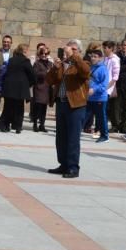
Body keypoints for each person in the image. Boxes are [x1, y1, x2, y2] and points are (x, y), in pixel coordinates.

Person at [46, 40, 91, 178]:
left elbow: (85, 72)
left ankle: (73, 167)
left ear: (79, 52)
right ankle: (63, 164)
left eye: (73, 49)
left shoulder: (83, 63)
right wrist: (55, 67)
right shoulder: (62, 65)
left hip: (76, 105)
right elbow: (50, 80)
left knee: (73, 137)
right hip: (61, 103)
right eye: (68, 49)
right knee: (61, 137)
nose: (69, 51)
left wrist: (73, 57)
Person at [0, 43, 33, 133]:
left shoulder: (11, 60)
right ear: (24, 51)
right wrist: (29, 83)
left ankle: (2, 125)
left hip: (9, 88)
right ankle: (17, 127)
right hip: (20, 89)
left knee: (7, 107)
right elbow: (32, 74)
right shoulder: (26, 61)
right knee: (19, 108)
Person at [85, 48, 110, 143]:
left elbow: (104, 85)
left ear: (100, 58)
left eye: (95, 57)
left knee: (101, 118)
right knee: (84, 115)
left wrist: (94, 89)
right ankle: (75, 132)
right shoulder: (91, 67)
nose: (92, 58)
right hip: (90, 98)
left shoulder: (103, 69)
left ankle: (105, 136)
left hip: (100, 98)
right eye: (92, 56)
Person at [31, 44, 54, 132]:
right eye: (42, 54)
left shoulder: (50, 64)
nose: (44, 55)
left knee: (44, 108)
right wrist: (46, 73)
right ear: (39, 55)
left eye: (46, 54)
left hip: (47, 88)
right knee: (37, 107)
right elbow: (35, 74)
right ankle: (35, 124)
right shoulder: (37, 63)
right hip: (39, 87)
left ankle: (42, 125)